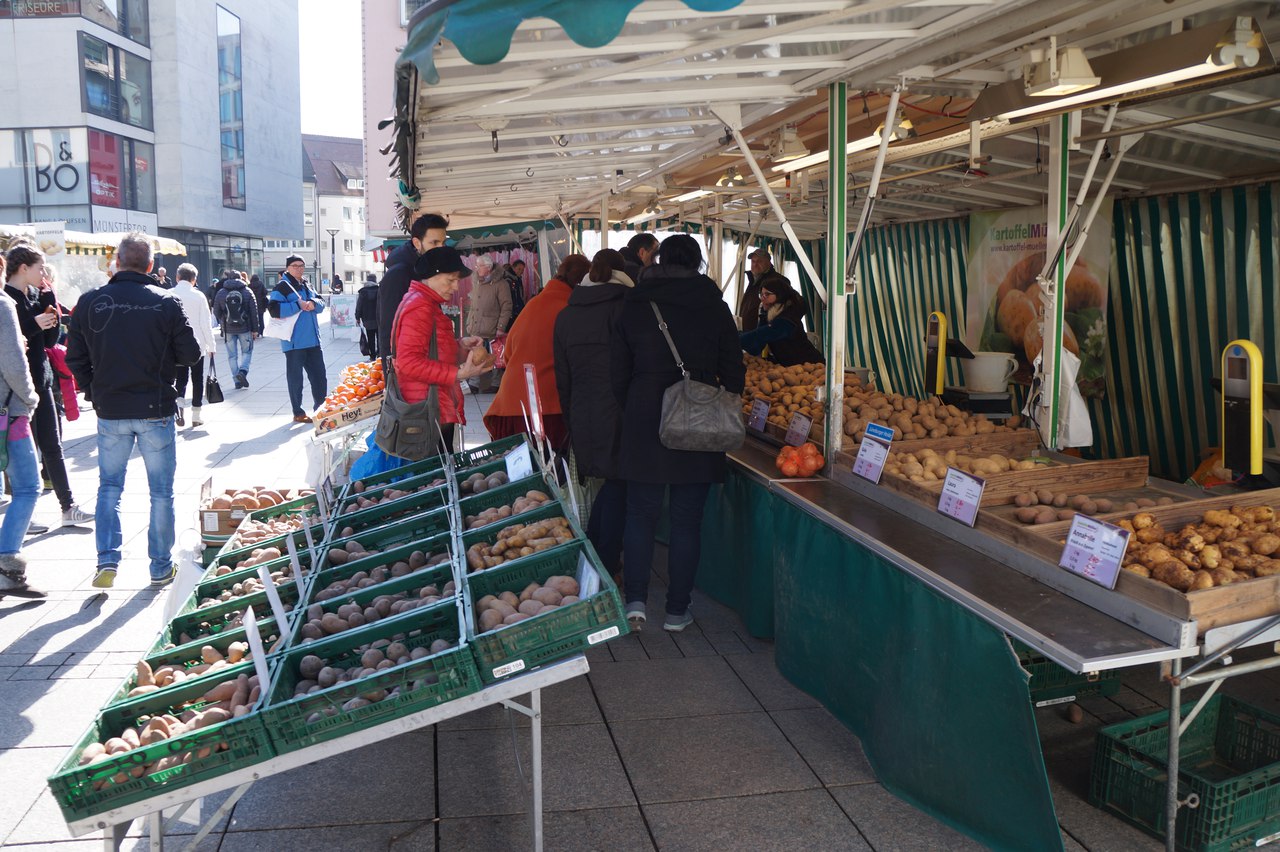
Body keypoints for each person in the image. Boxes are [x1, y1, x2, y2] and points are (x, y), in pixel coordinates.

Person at [611, 234, 745, 632]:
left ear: (658, 260)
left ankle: (636, 602)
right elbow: (734, 371)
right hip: (698, 418)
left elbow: (617, 371)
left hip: (645, 415)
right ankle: (676, 611)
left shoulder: (635, 303)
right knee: (687, 520)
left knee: (640, 514)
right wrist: (716, 397)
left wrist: (636, 403)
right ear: (698, 263)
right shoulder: (714, 305)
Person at [66, 233, 201, 589]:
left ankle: (107, 560)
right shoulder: (165, 302)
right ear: (151, 265)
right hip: (154, 406)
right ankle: (160, 566)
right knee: (161, 491)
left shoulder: (90, 301)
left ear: (117, 262)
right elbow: (191, 354)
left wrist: (94, 390)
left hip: (111, 408)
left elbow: (74, 358)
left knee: (110, 487)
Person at [552, 248, 633, 575]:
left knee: (611, 485)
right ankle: (605, 563)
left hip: (582, 412)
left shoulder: (566, 315)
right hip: (621, 412)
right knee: (619, 486)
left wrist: (571, 418)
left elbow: (563, 378)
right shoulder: (627, 308)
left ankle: (596, 556)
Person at [4, 244, 94, 529]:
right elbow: (12, 342)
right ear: (23, 268)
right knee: (23, 453)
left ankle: (68, 507)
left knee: (53, 446)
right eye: (39, 267)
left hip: (41, 383)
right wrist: (34, 323)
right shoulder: (7, 299)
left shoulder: (34, 295)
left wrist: (48, 299)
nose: (43, 273)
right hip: (16, 390)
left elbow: (49, 340)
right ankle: (23, 515)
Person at [482, 254, 588, 451]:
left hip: (511, 402)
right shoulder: (571, 310)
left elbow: (508, 352)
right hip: (547, 407)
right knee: (549, 466)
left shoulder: (534, 303)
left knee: (517, 466)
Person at [393, 247, 492, 453]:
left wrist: (461, 346)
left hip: (432, 406)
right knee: (437, 468)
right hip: (426, 410)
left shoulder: (425, 303)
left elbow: (432, 350)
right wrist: (457, 374)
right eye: (450, 280)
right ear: (432, 276)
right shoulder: (420, 307)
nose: (456, 286)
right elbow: (408, 362)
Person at [0, 252, 44, 599]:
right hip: (8, 413)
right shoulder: (2, 305)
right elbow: (14, 363)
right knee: (28, 486)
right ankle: (6, 565)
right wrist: (30, 398)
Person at [377, 213, 448, 358]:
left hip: (426, 358)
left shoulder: (426, 270)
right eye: (434, 243)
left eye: (443, 243)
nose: (441, 249)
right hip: (408, 364)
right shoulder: (399, 274)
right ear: (417, 243)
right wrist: (392, 366)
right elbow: (389, 328)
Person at [269, 255, 327, 424]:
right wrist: (297, 305)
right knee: (296, 380)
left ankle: (320, 409)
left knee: (319, 377)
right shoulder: (282, 287)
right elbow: (274, 310)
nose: (299, 268)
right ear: (288, 267)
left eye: (301, 265)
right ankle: (298, 412)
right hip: (294, 342)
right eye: (295, 266)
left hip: (314, 340)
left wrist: (313, 304)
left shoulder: (307, 284)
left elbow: (321, 302)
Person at [739, 276, 824, 366]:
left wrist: (734, 339)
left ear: (780, 295)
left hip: (812, 366)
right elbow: (757, 347)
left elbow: (762, 334)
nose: (762, 298)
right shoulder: (769, 315)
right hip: (792, 368)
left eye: (767, 294)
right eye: (761, 294)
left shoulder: (787, 319)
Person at [172, 264, 218, 428]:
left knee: (180, 378)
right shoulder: (199, 296)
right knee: (197, 379)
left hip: (175, 346)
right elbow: (206, 324)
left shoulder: (169, 294)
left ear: (177, 277)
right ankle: (196, 415)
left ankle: (179, 409)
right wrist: (211, 346)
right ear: (194, 279)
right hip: (197, 344)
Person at [464, 255, 511, 393]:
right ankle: (474, 383)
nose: (476, 268)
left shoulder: (501, 284)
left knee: (495, 355)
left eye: (479, 266)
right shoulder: (477, 282)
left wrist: (501, 327)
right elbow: (473, 305)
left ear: (488, 268)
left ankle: (496, 383)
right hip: (476, 326)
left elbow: (506, 306)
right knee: (475, 354)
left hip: (492, 326)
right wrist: (469, 322)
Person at [213, 269, 260, 388]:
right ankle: (242, 372)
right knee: (247, 351)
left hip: (228, 329)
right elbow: (254, 312)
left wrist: (224, 320)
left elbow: (216, 311)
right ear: (241, 278)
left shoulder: (221, 292)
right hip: (245, 327)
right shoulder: (247, 291)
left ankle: (237, 381)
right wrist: (255, 329)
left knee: (232, 356)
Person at [738, 248, 790, 332]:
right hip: (749, 332)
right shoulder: (753, 280)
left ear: (768, 262)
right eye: (753, 261)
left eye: (759, 261)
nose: (755, 264)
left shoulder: (778, 281)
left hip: (765, 334)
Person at [355, 273, 380, 361]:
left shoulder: (363, 292)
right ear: (375, 280)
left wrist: (357, 317)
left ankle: (372, 356)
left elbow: (359, 305)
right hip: (378, 318)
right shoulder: (379, 290)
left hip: (367, 318)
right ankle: (379, 354)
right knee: (379, 337)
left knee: (370, 337)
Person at [502, 259, 528, 330]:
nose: (521, 271)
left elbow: (520, 296)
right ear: (513, 268)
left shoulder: (517, 279)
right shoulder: (508, 280)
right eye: (519, 269)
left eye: (522, 270)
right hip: (511, 313)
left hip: (517, 311)